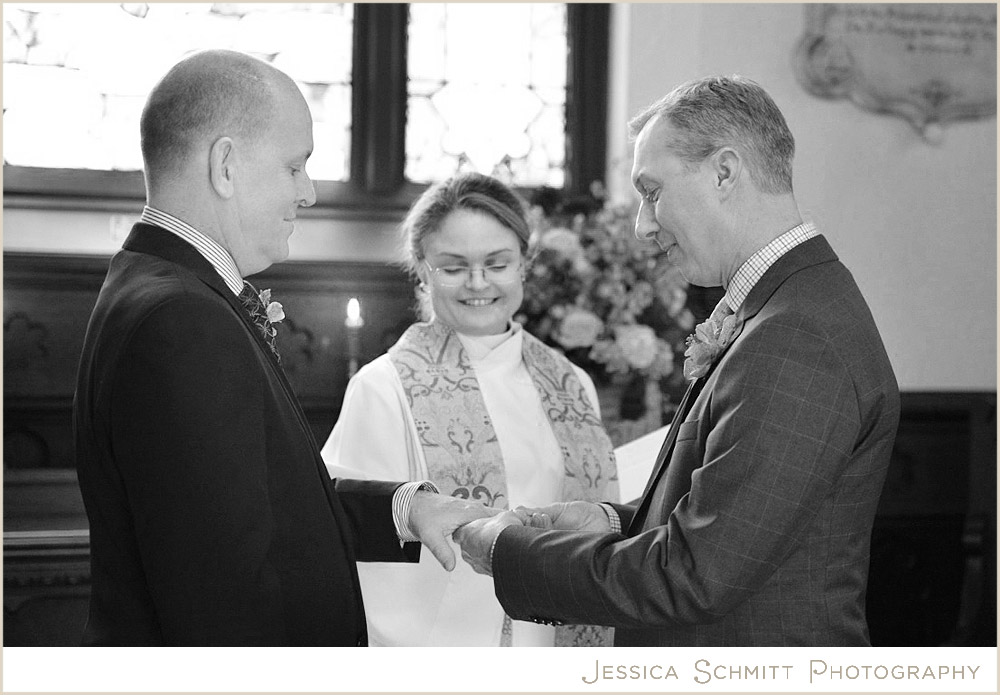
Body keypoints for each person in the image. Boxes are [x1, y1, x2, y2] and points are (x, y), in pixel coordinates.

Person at [455, 75, 900, 646]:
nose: (642, 225)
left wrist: (506, 550)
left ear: (724, 171)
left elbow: (693, 577)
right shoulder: (787, 308)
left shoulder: (795, 336)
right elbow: (736, 517)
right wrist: (616, 523)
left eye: (652, 191)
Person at [73, 49, 492, 646]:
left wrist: (405, 507)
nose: (310, 192)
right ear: (226, 166)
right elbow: (222, 592)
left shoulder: (158, 286)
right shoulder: (182, 319)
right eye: (295, 166)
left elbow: (257, 506)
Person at [321, 172, 619, 646]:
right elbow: (344, 534)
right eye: (454, 267)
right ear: (423, 269)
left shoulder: (571, 384)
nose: (478, 282)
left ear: (525, 262)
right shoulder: (382, 387)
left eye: (497, 263)